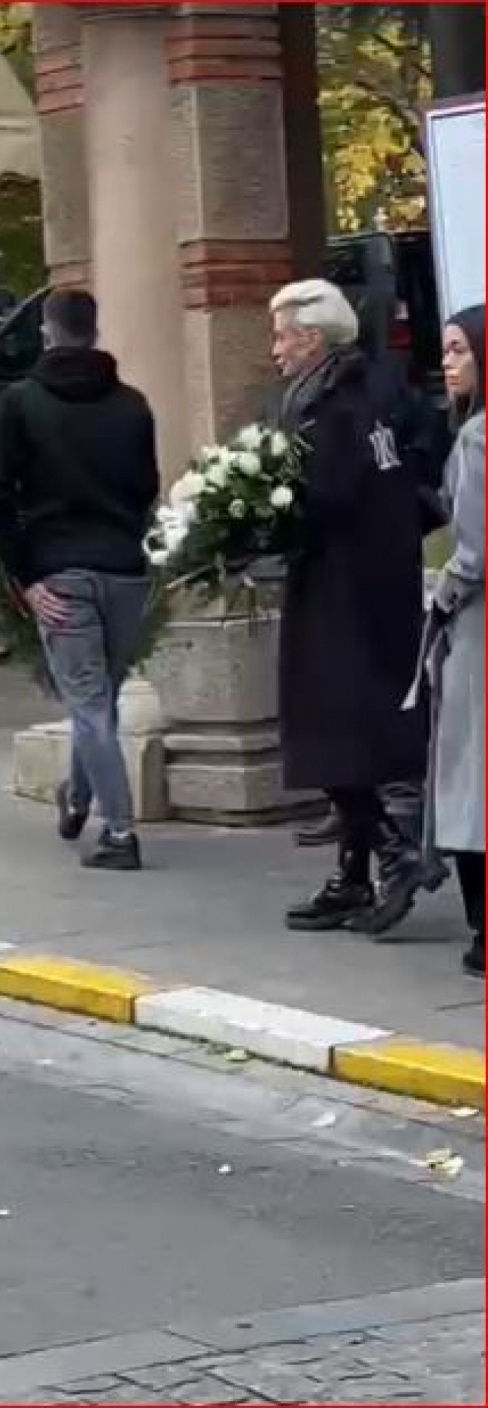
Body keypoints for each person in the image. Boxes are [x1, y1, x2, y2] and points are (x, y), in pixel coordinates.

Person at [0, 288, 159, 870]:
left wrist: (26, 576)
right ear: (94, 331)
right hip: (126, 569)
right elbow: (146, 488)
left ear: (47, 333)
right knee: (99, 700)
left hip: (60, 570)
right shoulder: (132, 404)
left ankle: (121, 833)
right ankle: (79, 796)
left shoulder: (19, 404)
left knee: (90, 707)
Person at [270, 278, 428, 933]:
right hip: (382, 581)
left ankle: (394, 851)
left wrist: (261, 527)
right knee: (353, 732)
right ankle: (352, 877)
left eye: (282, 336)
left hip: (341, 588)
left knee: (328, 732)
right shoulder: (380, 390)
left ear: (312, 338)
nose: (276, 350)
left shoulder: (332, 407)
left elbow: (322, 499)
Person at [429, 305, 485, 975]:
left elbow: (474, 548)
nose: (447, 364)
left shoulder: (476, 438)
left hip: (478, 627)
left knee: (470, 772)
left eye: (459, 350)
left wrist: (443, 591)